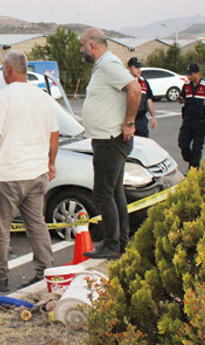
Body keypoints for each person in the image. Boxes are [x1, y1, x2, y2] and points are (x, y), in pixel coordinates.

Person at [0, 51, 59, 291]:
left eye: (3, 68)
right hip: (37, 173)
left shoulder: (5, 96)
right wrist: (51, 163)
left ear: (9, 70)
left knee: (0, 228)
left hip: (8, 175)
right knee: (37, 224)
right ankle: (45, 272)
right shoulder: (43, 97)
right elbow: (54, 135)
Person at [79, 29, 141, 260]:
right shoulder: (103, 66)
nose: (82, 50)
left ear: (93, 46)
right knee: (114, 193)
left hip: (110, 140)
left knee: (103, 193)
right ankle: (120, 241)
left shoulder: (108, 65)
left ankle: (111, 244)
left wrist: (129, 122)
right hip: (107, 139)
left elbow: (134, 88)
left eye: (83, 46)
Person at [178, 63, 205, 169]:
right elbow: (183, 97)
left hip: (201, 120)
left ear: (198, 73)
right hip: (188, 119)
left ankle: (193, 170)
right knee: (183, 143)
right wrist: (181, 100)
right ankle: (192, 160)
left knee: (197, 147)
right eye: (188, 74)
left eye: (191, 74)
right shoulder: (186, 85)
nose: (189, 76)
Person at [127, 57, 156, 137]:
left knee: (143, 143)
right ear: (129, 68)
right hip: (127, 119)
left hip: (141, 119)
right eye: (136, 67)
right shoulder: (124, 82)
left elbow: (148, 99)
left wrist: (153, 116)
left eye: (140, 67)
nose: (139, 70)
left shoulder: (144, 82)